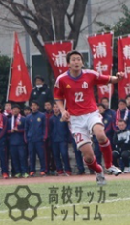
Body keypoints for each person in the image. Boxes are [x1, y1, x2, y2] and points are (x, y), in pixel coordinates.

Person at [54, 50, 123, 185]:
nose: (76, 62)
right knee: (89, 157)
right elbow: (57, 97)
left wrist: (118, 78)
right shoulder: (61, 79)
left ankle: (109, 165)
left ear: (82, 62)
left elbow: (108, 79)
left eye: (78, 59)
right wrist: (63, 111)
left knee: (101, 135)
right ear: (68, 63)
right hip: (75, 119)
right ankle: (98, 171)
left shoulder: (90, 74)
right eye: (73, 60)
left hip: (91, 113)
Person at [25, 101, 47, 177]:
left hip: (39, 139)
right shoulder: (28, 117)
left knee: (41, 155)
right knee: (32, 156)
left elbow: (45, 127)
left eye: (35, 105)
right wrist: (27, 138)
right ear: (31, 107)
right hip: (31, 139)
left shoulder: (42, 115)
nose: (33, 107)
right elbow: (26, 129)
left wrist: (44, 136)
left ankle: (43, 170)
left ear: (38, 107)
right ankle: (32, 170)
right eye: (32, 105)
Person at [48, 104, 71, 176]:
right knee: (56, 155)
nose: (55, 108)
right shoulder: (51, 118)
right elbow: (50, 129)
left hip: (63, 139)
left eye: (57, 107)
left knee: (64, 154)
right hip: (54, 140)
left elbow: (68, 128)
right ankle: (59, 170)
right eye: (54, 107)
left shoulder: (63, 117)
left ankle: (67, 170)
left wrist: (68, 138)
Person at [8, 105, 27, 178]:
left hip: (21, 142)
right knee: (14, 158)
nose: (15, 111)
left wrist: (18, 130)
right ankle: (17, 172)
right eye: (13, 109)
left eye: (16, 109)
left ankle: (24, 171)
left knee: (22, 157)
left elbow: (26, 129)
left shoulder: (23, 119)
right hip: (12, 142)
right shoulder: (9, 120)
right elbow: (7, 131)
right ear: (11, 111)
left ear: (19, 110)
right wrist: (11, 131)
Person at [0, 108, 8, 178]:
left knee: (3, 157)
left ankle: (4, 172)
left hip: (2, 139)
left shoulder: (4, 117)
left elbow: (5, 128)